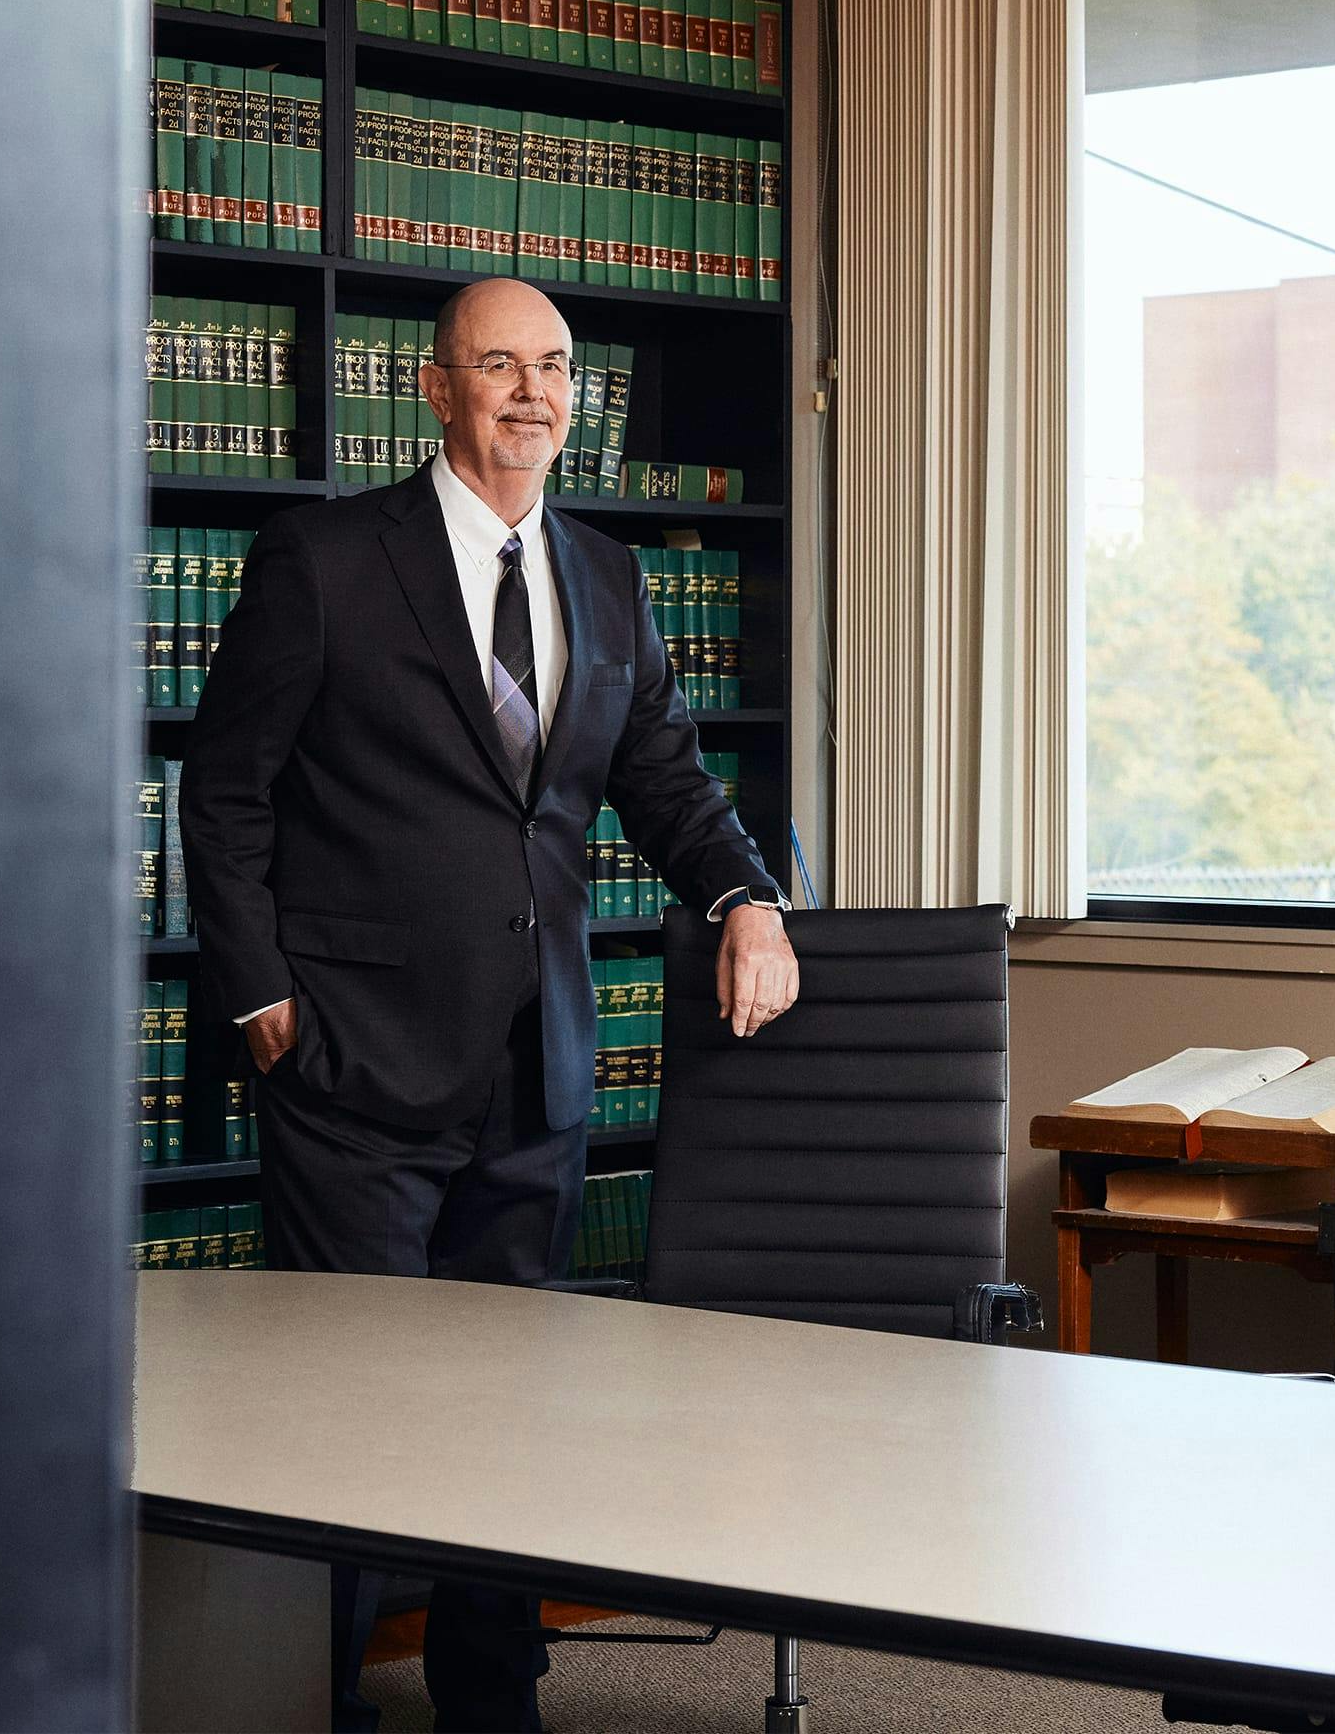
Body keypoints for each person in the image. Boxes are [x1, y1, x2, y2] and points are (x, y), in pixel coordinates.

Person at [180, 276, 797, 1733]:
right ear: (439, 388)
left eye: (556, 367)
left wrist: (748, 898)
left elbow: (664, 782)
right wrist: (264, 1004)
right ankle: (309, 1698)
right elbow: (226, 793)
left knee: (511, 1418)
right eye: (501, 365)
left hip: (538, 1070)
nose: (534, 392)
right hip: (351, 1072)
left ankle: (490, 1700)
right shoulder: (326, 560)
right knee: (344, 1412)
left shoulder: (608, 575)